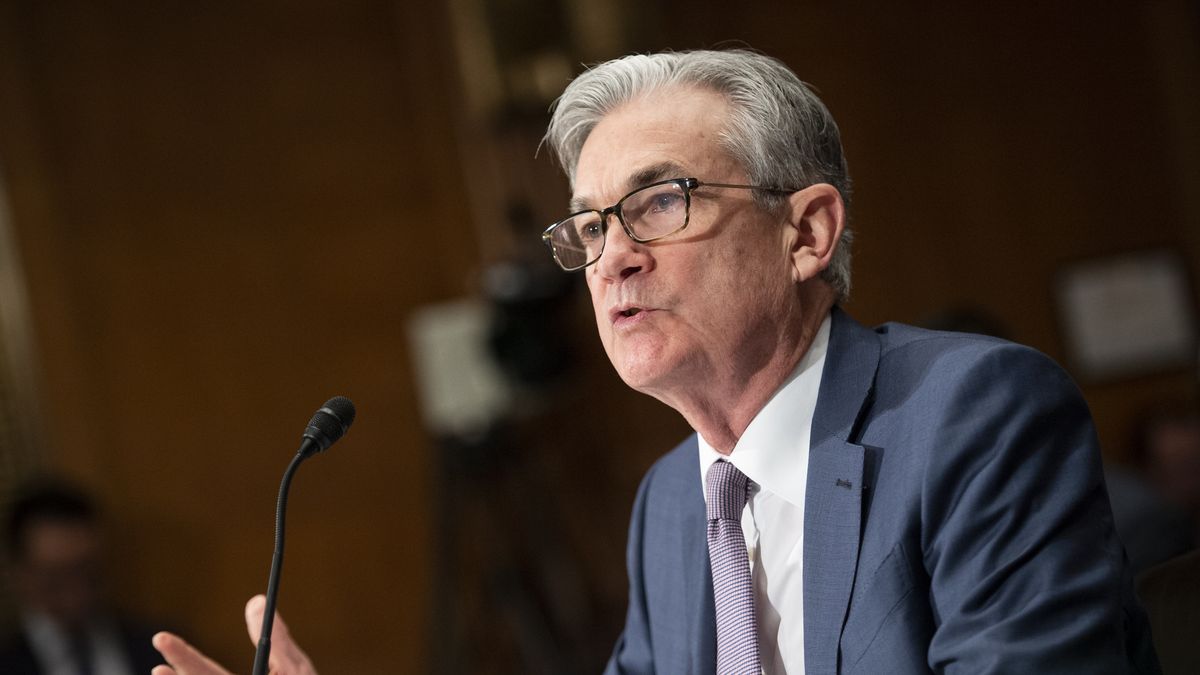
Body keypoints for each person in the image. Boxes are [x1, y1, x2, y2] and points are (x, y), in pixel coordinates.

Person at [153, 49, 1160, 673]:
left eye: (660, 202)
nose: (613, 257)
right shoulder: (672, 508)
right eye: (589, 226)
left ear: (806, 233)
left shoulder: (974, 415)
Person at [1, 478, 166, 674]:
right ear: (18, 572)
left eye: (88, 574)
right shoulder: (6, 660)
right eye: (55, 580)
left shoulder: (158, 646)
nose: (75, 594)